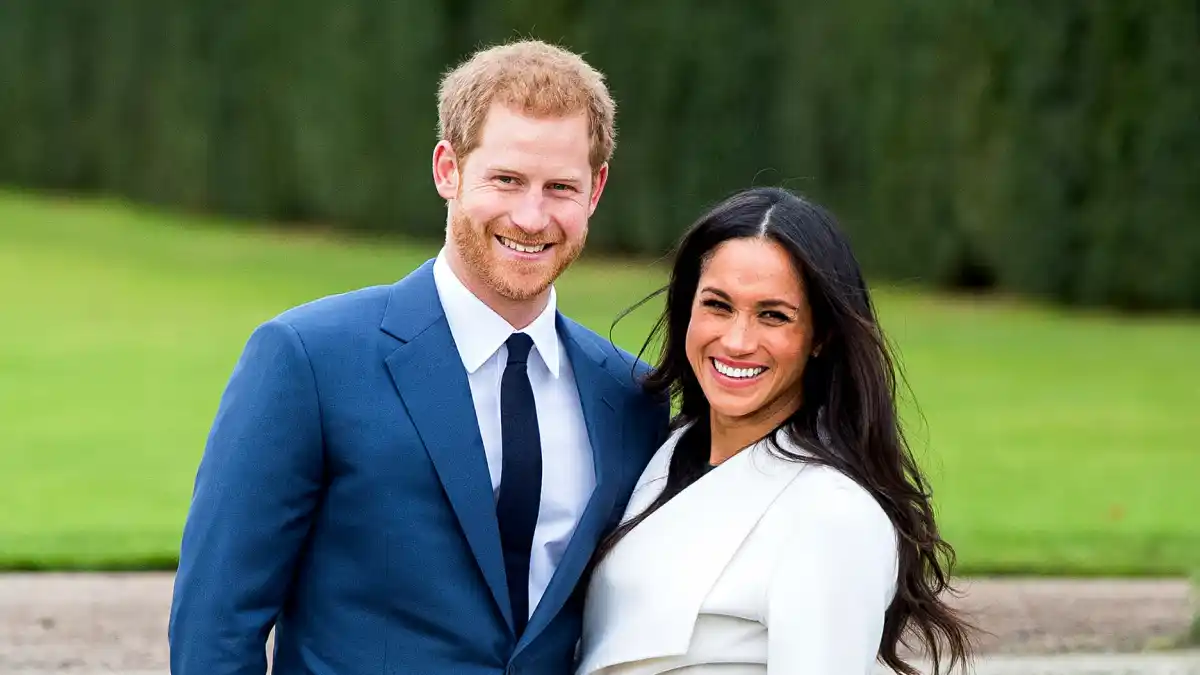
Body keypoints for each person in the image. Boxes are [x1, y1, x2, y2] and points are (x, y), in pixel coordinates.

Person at [168, 39, 670, 675]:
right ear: (447, 169)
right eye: (507, 179)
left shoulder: (629, 397)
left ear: (596, 189)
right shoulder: (309, 359)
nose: (531, 215)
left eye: (560, 187)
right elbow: (215, 629)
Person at [575, 187, 975, 675]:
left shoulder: (832, 513)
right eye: (718, 306)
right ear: (687, 311)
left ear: (820, 337)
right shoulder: (664, 450)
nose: (738, 340)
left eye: (773, 316)